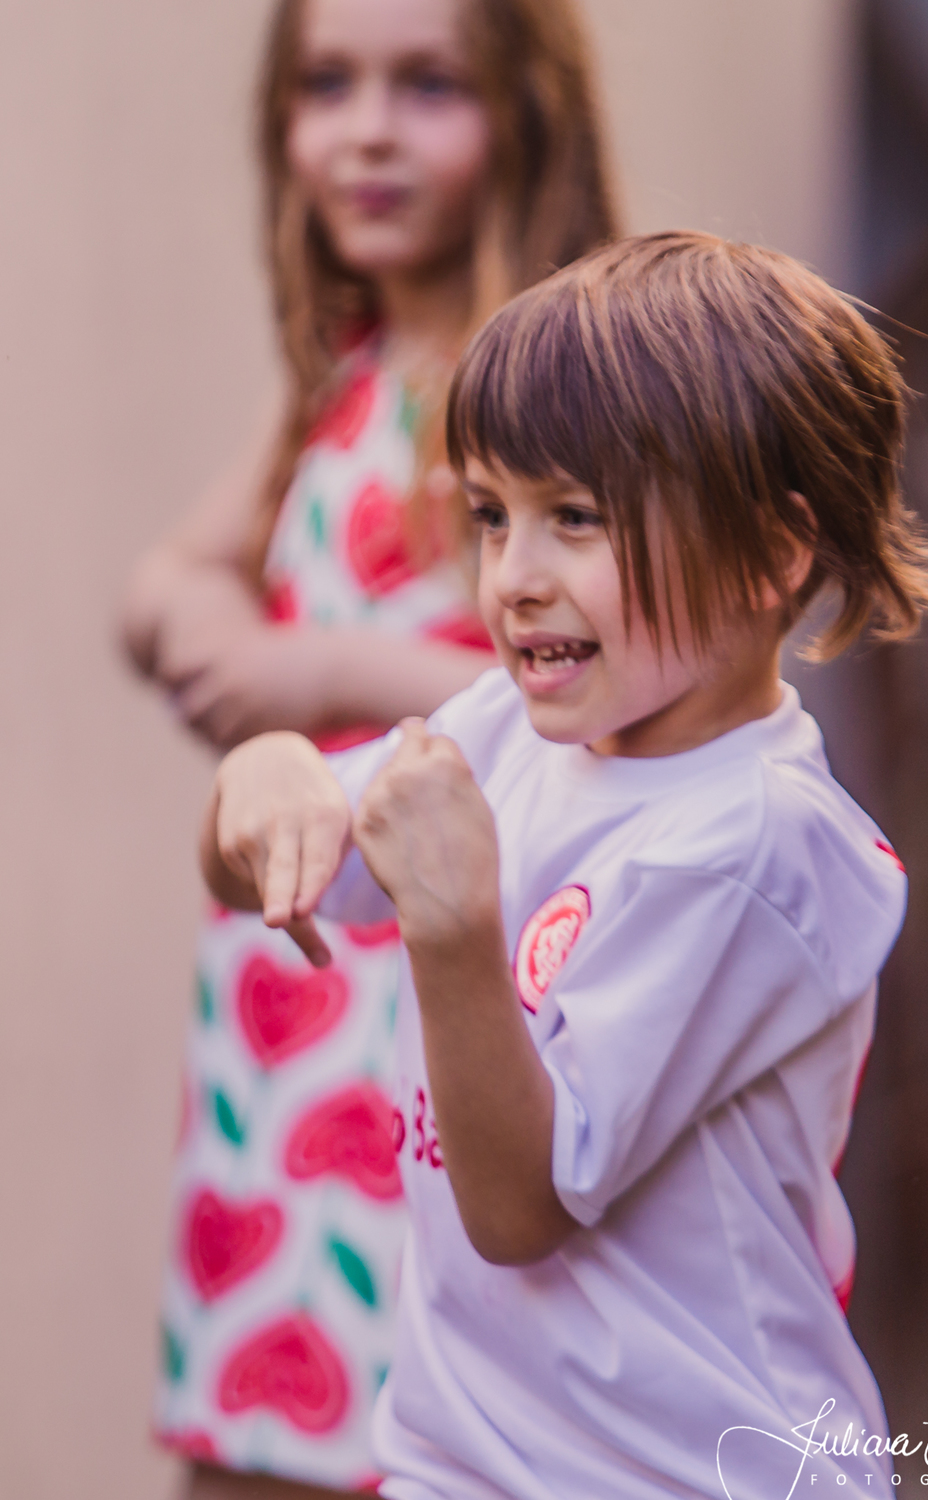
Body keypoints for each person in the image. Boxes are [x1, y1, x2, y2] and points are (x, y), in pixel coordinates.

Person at [197, 232, 928, 1499]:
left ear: (773, 553)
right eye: (493, 516)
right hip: (464, 1463)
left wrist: (453, 931)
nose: (514, 579)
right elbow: (257, 858)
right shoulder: (507, 730)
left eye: (576, 520)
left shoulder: (757, 844)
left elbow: (519, 1211)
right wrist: (267, 776)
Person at [120, 0, 617, 1493]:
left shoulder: (548, 385)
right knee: (260, 1444)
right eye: (327, 84)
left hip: (431, 1012)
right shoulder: (348, 372)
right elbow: (158, 587)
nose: (370, 132)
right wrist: (213, 612)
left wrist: (318, 667)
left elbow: (599, 694)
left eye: (429, 86)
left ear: (525, 112)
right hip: (283, 1016)